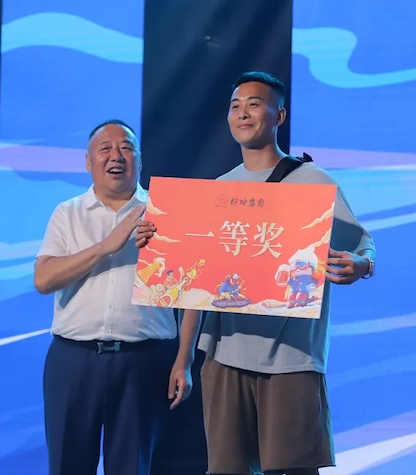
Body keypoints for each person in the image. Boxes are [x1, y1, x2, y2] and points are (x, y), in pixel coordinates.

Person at [199, 71, 376, 475]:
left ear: (279, 116)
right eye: (235, 106)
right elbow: (198, 275)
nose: (243, 113)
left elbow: (363, 243)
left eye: (255, 104)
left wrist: (363, 265)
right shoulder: (219, 188)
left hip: (291, 357)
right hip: (225, 355)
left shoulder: (312, 180)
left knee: (293, 470)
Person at [33, 119, 202, 475]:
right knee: (66, 465)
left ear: (140, 159)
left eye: (126, 148)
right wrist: (106, 247)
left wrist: (184, 360)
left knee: (132, 467)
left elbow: (192, 295)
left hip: (144, 362)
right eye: (105, 148)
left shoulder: (167, 212)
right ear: (88, 161)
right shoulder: (68, 213)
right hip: (73, 359)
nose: (116, 156)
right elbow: (44, 280)